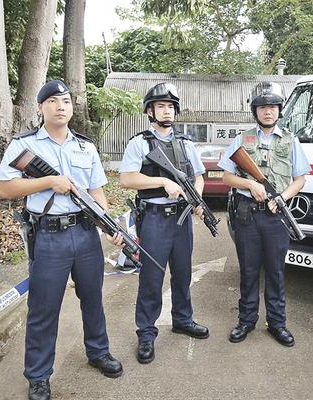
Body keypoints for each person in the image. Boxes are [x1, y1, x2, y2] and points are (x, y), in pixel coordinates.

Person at [0, 80, 123, 400]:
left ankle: (98, 352)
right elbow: (4, 189)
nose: (61, 106)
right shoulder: (24, 146)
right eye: (52, 101)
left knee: (93, 298)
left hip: (85, 233)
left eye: (65, 101)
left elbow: (96, 192)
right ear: (40, 108)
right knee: (44, 308)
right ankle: (38, 375)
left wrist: (109, 225)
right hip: (49, 236)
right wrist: (48, 181)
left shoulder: (85, 147)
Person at [118, 82, 209, 364]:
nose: (166, 111)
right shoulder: (139, 143)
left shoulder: (185, 143)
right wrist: (162, 181)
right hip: (155, 218)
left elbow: (199, 176)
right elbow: (126, 179)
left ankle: (183, 319)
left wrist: (197, 199)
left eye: (170, 106)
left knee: (182, 273)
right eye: (160, 106)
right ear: (149, 111)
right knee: (151, 279)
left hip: (181, 220)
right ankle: (146, 333)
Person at [218, 82, 310, 347]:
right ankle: (246, 321)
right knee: (248, 271)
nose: (268, 112)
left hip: (276, 215)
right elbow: (226, 177)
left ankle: (277, 323)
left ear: (279, 110)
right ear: (255, 111)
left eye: (272, 107)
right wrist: (251, 184)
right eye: (262, 107)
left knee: (276, 272)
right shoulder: (241, 139)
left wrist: (282, 197)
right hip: (247, 215)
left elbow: (300, 179)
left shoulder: (291, 140)